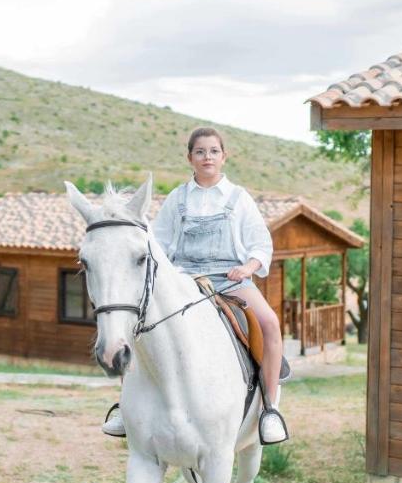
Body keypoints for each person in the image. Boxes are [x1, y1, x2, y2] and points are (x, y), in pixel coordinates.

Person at [102, 127, 289, 444]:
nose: (207, 157)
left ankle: (269, 409)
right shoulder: (177, 199)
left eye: (213, 151)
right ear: (190, 158)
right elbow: (157, 244)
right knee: (136, 324)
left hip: (230, 281)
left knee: (270, 324)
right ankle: (126, 406)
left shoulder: (238, 198)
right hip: (185, 281)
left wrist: (247, 267)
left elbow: (261, 245)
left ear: (223, 156)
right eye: (200, 152)